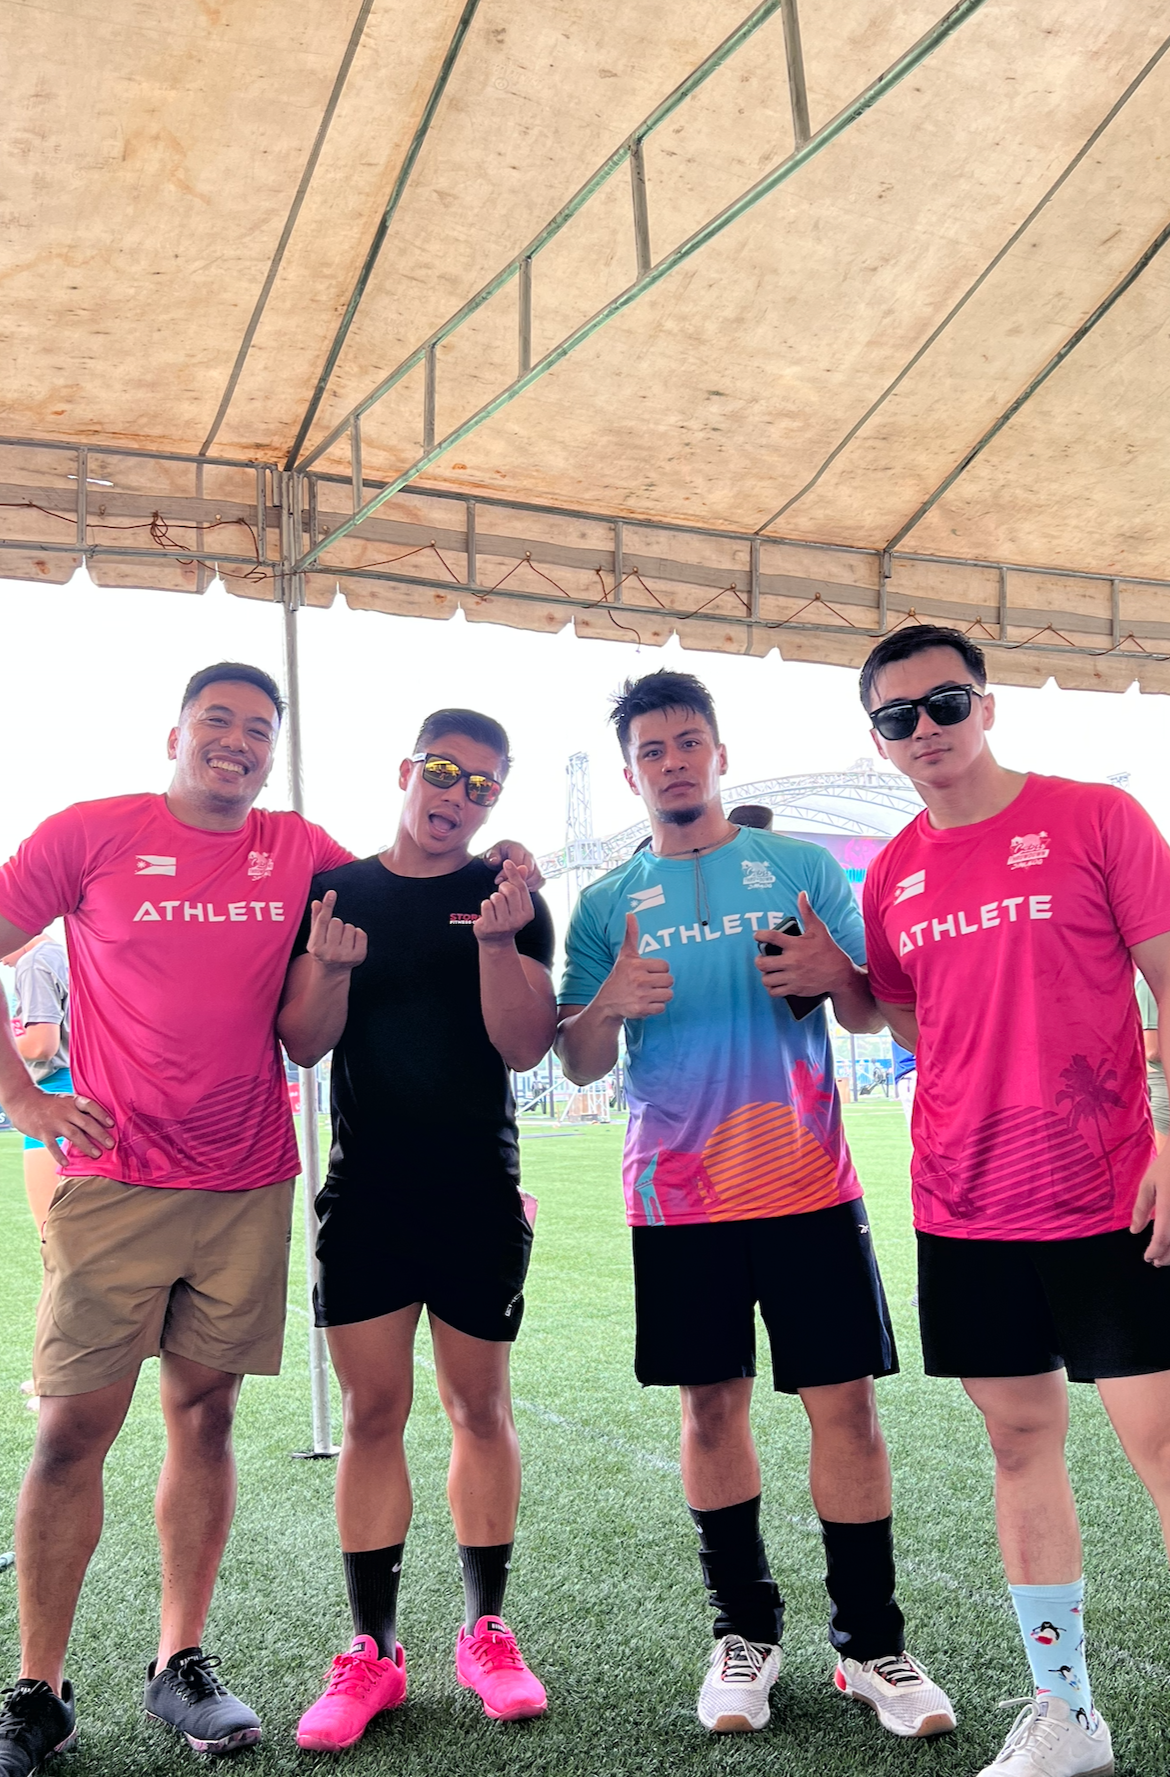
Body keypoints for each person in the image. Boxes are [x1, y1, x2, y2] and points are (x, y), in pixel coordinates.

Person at [0, 662, 540, 1775]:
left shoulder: (306, 855)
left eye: (258, 729)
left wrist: (511, 871)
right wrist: (22, 1096)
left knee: (205, 1422)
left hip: (250, 1180)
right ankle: (35, 1688)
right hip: (118, 1176)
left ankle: (179, 1663)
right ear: (177, 732)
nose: (237, 743)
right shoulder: (91, 831)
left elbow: (416, 889)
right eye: (218, 722)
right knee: (71, 1435)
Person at [554, 668, 954, 1740]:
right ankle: (742, 1634)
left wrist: (837, 969)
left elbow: (870, 1012)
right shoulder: (601, 905)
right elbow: (580, 1061)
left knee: (847, 1407)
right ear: (634, 771)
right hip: (674, 1198)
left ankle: (871, 1644)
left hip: (807, 1186)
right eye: (653, 750)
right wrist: (608, 1002)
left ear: (719, 753)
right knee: (710, 1408)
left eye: (690, 742)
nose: (673, 762)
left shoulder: (802, 866)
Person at [855, 623, 1170, 1777]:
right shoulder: (892, 871)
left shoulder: (1098, 817)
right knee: (1019, 1443)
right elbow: (910, 1017)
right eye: (899, 717)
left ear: (986, 703)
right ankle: (1067, 1713)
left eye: (944, 703)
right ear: (881, 742)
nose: (926, 730)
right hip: (964, 1203)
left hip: (1109, 1193)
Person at [277, 710, 556, 1752]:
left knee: (480, 1409)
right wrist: (336, 965)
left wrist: (497, 940)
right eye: (445, 771)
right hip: (368, 1194)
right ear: (408, 769)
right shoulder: (337, 890)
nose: (459, 794)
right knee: (372, 1413)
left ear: (497, 797)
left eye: (483, 784)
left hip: (478, 1190)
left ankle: (487, 1629)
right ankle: (373, 1651)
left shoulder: (512, 897)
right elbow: (303, 1039)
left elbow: (526, 1044)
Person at [4, 933, 72, 1235]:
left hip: (53, 1096)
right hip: (80, 1089)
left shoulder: (34, 962)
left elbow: (41, 1044)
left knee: (52, 1234)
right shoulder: (62, 956)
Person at [1136, 973, 1170, 1147]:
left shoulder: (1150, 984)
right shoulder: (1151, 985)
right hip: (1167, 1085)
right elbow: (1153, 1050)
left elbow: (1153, 1051)